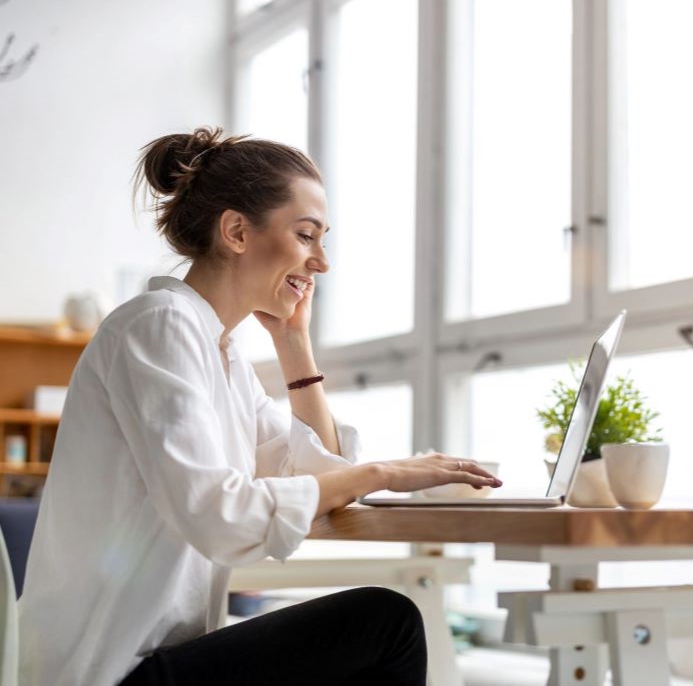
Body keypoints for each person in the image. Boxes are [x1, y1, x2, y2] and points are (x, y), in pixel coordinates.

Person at [17, 127, 502, 686]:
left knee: (374, 628)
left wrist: (294, 346)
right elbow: (218, 514)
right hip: (103, 672)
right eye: (306, 236)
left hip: (153, 660)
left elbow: (319, 471)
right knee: (385, 624)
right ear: (236, 232)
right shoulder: (158, 325)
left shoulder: (218, 353)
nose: (321, 261)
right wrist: (387, 471)